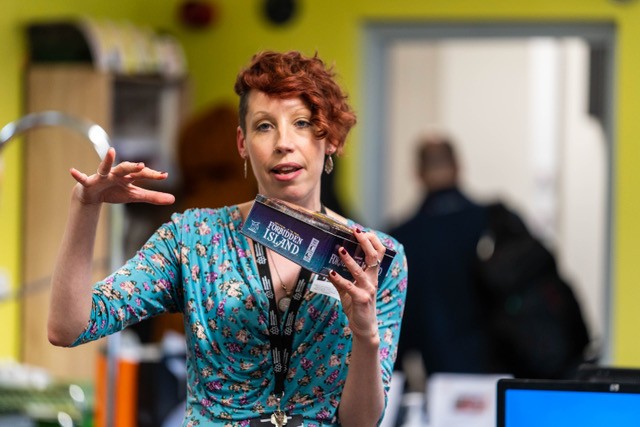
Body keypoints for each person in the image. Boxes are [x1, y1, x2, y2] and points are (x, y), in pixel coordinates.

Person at [47, 50, 408, 426]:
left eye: (301, 123)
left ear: (329, 137)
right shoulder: (193, 239)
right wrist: (85, 206)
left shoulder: (375, 258)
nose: (283, 142)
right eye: (264, 126)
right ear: (242, 143)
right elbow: (68, 327)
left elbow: (361, 422)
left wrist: (365, 334)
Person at [390, 134, 496, 380]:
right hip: (497, 370)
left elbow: (397, 322)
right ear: (458, 166)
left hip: (440, 374)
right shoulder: (493, 221)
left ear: (417, 173)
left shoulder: (402, 238)